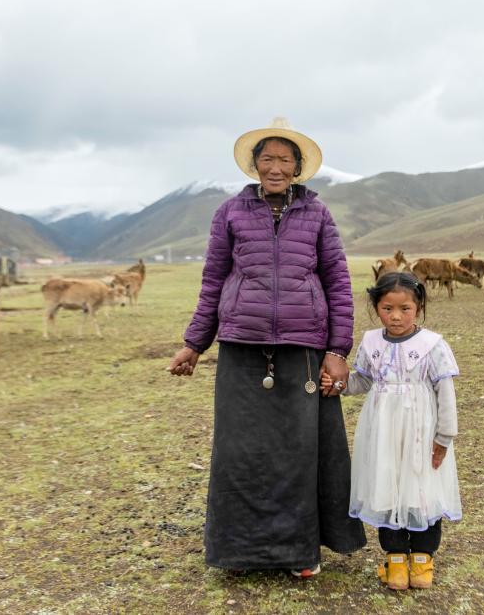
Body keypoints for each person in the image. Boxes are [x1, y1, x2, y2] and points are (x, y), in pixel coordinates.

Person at [167, 117, 366, 577]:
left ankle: (299, 553)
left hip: (303, 348)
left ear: (298, 167)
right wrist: (194, 343)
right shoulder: (230, 213)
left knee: (299, 453)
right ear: (255, 165)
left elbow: (338, 283)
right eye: (268, 159)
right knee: (240, 453)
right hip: (242, 347)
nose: (276, 168)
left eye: (285, 160)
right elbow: (213, 282)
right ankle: (239, 553)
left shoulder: (317, 214)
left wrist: (337, 351)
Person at [324, 271, 461, 590]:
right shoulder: (372, 342)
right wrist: (339, 385)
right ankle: (397, 562)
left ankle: (422, 561)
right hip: (382, 433)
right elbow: (363, 380)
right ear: (376, 308)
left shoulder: (432, 345)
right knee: (386, 487)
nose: (396, 316)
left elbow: (446, 393)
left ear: (418, 307)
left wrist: (444, 437)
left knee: (422, 489)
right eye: (387, 309)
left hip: (421, 433)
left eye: (405, 309)